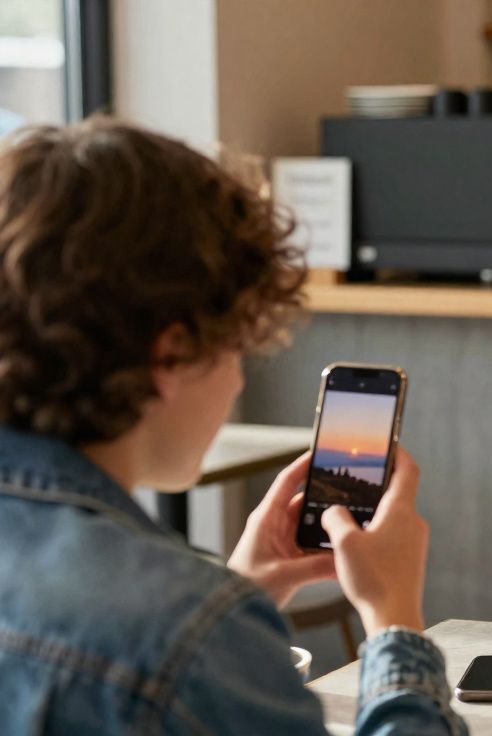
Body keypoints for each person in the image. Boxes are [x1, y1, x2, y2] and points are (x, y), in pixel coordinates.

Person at [0, 118, 465, 735]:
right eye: (236, 348)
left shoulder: (191, 625)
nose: (239, 380)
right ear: (172, 353)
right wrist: (395, 619)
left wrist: (239, 591)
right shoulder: (189, 631)